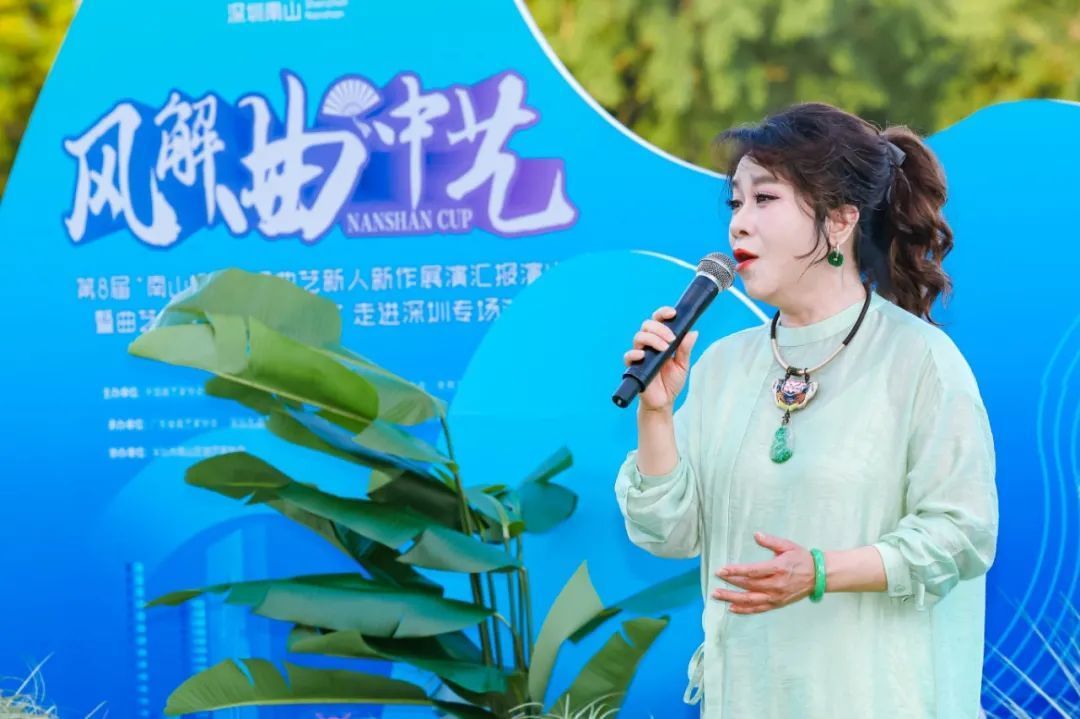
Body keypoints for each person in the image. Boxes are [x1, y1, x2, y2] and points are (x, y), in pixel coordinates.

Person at [614, 102, 999, 718]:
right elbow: (671, 533)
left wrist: (821, 571)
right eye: (735, 203)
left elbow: (961, 533)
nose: (739, 224)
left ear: (840, 220)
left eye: (765, 199)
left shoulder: (919, 359)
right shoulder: (723, 366)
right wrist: (656, 413)